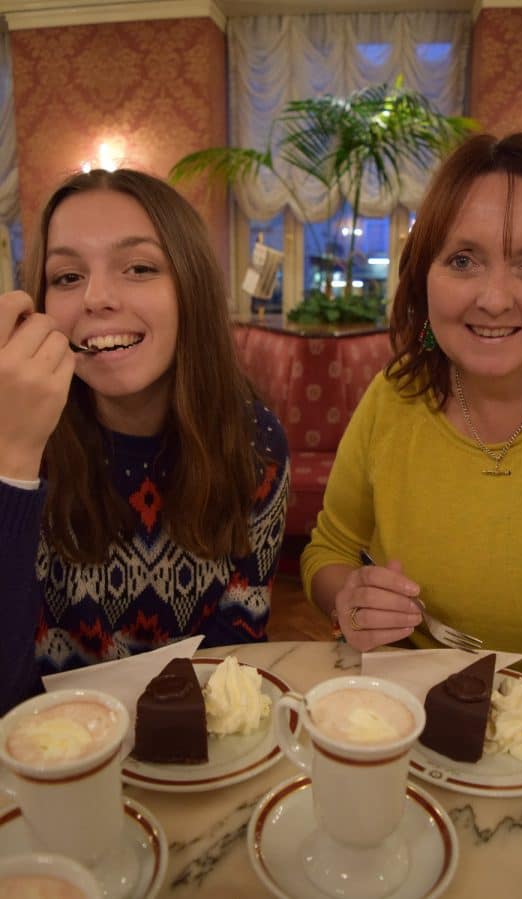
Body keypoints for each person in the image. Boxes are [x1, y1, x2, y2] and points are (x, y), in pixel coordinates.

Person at [301, 131, 522, 706]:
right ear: (424, 275)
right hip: (414, 715)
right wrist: (349, 597)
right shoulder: (394, 395)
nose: (492, 298)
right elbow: (328, 550)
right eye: (463, 260)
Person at [0, 168, 289, 715]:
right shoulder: (11, 434)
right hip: (47, 755)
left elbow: (234, 657)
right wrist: (13, 463)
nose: (96, 297)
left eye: (139, 268)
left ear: (190, 289)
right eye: (65, 277)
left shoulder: (255, 443)